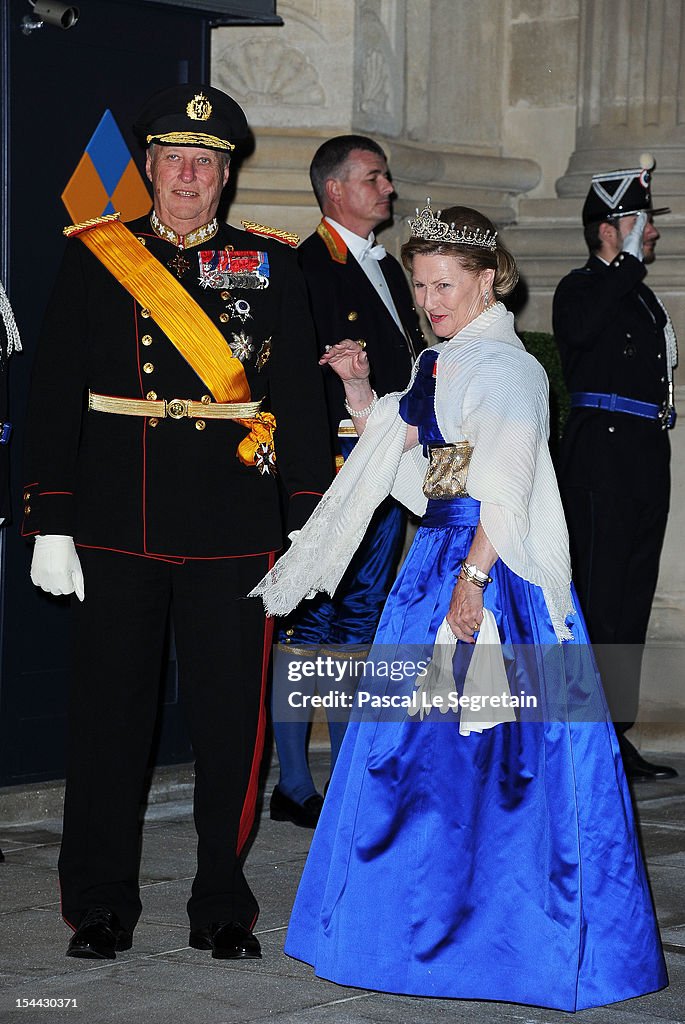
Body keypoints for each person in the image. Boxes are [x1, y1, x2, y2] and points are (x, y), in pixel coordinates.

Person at [250, 202, 667, 1010]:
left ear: (487, 281)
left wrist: (471, 585)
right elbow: (423, 470)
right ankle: (419, 930)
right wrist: (361, 386)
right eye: (420, 285)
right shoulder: (443, 362)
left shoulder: (507, 368)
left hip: (490, 572)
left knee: (497, 760)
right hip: (437, 564)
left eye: (445, 284)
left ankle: (504, 939)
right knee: (416, 755)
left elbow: (502, 491)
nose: (430, 300)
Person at [22, 84, 331, 962]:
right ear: (150, 168)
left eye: (207, 164)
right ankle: (99, 902)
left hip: (232, 528)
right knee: (109, 719)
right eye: (174, 161)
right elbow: (51, 394)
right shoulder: (98, 257)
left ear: (226, 177)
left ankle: (221, 902)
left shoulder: (270, 263)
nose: (188, 176)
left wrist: (308, 524)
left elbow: (300, 404)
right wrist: (51, 519)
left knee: (233, 721)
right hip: (117, 522)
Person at [270, 135, 424, 828]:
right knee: (309, 620)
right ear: (335, 190)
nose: (386, 189)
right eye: (374, 177)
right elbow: (293, 379)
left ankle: (344, 775)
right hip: (333, 467)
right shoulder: (304, 265)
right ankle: (295, 784)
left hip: (384, 459)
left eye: (385, 178)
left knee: (360, 618)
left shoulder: (388, 269)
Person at [553, 156, 678, 782]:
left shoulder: (639, 294)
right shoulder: (583, 287)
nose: (652, 233)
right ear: (609, 227)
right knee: (597, 600)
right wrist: (624, 263)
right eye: (640, 221)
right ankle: (584, 731)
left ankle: (615, 733)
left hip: (641, 458)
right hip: (599, 460)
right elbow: (577, 330)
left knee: (629, 600)